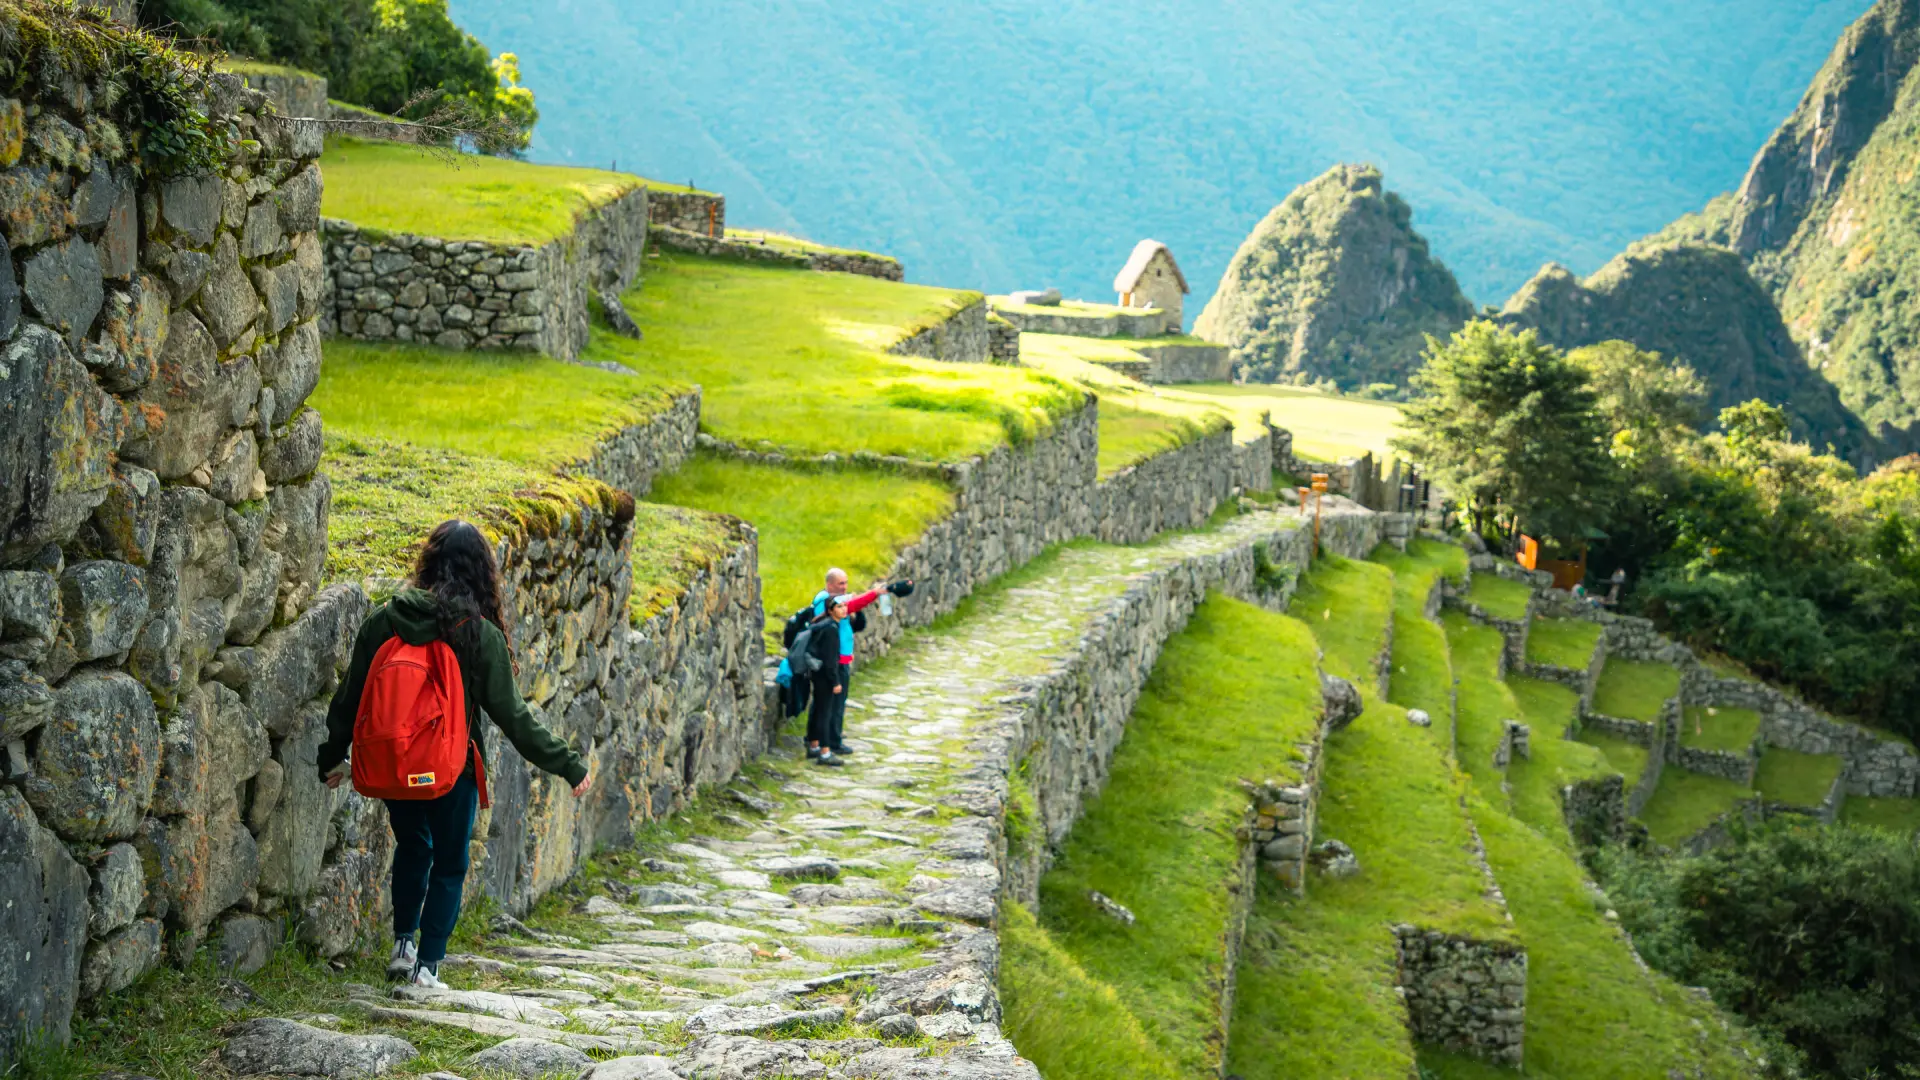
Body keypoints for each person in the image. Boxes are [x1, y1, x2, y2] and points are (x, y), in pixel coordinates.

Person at [316, 520, 592, 988]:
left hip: (399, 767)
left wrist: (331, 755)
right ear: (481, 572)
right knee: (449, 861)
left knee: (413, 845)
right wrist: (567, 763)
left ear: (429, 562)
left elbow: (351, 697)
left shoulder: (385, 620)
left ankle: (403, 943)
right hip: (450, 770)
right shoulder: (478, 635)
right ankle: (428, 967)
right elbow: (514, 718)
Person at [808, 569, 898, 760]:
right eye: (840, 583)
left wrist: (858, 610)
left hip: (840, 660)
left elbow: (856, 622)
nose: (845, 587)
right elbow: (852, 604)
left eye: (846, 583)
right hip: (833, 662)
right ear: (830, 584)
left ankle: (824, 738)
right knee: (832, 704)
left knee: (829, 704)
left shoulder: (837, 604)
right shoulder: (825, 600)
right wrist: (873, 594)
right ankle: (830, 742)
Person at [804, 597, 850, 767]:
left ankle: (814, 744)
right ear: (831, 611)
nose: (844, 609)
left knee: (818, 709)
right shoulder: (831, 629)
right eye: (839, 606)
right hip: (825, 676)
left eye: (845, 606)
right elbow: (830, 660)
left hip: (817, 673)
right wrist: (835, 682)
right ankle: (824, 752)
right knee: (825, 712)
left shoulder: (823, 625)